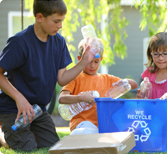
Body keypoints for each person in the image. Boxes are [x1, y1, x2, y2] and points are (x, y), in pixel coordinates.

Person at [0, 0, 96, 151]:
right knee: (27, 148)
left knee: (53, 147)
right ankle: (3, 136)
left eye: (62, 21)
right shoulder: (19, 42)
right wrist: (19, 98)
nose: (61, 26)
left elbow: (62, 78)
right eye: (56, 21)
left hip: (38, 110)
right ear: (40, 17)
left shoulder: (59, 42)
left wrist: (84, 62)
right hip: (14, 108)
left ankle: (22, 133)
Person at [59, 38, 138, 135]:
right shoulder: (74, 77)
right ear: (80, 59)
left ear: (101, 59)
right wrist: (81, 98)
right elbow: (62, 99)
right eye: (89, 62)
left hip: (102, 125)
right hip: (82, 124)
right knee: (85, 132)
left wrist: (124, 82)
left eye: (96, 62)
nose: (92, 66)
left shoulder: (107, 79)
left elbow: (134, 85)